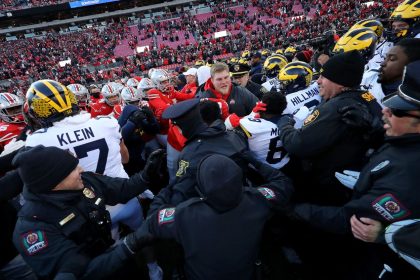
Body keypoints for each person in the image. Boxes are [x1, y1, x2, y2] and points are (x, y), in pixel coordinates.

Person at [288, 60, 420, 279]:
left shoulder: (407, 171)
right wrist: (374, 138)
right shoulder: (372, 107)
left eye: (397, 110)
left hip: (376, 256)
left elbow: (352, 219)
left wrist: (293, 209)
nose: (386, 111)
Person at [12, 145, 164, 279]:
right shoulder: (32, 228)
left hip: (114, 255)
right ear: (53, 181)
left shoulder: (84, 181)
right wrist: (131, 243)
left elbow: (121, 189)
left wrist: (146, 176)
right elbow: (78, 271)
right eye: (72, 169)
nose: (81, 170)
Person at [23, 80, 144, 241]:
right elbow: (126, 159)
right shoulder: (107, 123)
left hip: (90, 210)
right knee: (143, 234)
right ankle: (154, 265)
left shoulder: (38, 141)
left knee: (112, 249)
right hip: (124, 193)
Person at [142, 153, 293, 280]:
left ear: (201, 192)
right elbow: (284, 183)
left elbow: (152, 220)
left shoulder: (185, 215)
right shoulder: (258, 199)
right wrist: (254, 160)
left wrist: (170, 186)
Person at [277, 51, 383, 206]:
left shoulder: (335, 107)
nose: (318, 81)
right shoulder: (367, 97)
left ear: (339, 82)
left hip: (329, 188)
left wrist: (284, 124)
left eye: (323, 77)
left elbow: (298, 144)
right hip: (354, 183)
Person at [150, 98, 248, 211]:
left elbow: (180, 192)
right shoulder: (233, 135)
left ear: (180, 127)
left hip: (213, 209)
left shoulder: (189, 154)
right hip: (243, 197)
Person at [361, 38, 420, 107]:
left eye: (392, 59)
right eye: (385, 58)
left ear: (412, 66)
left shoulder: (412, 102)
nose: (382, 63)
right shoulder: (370, 75)